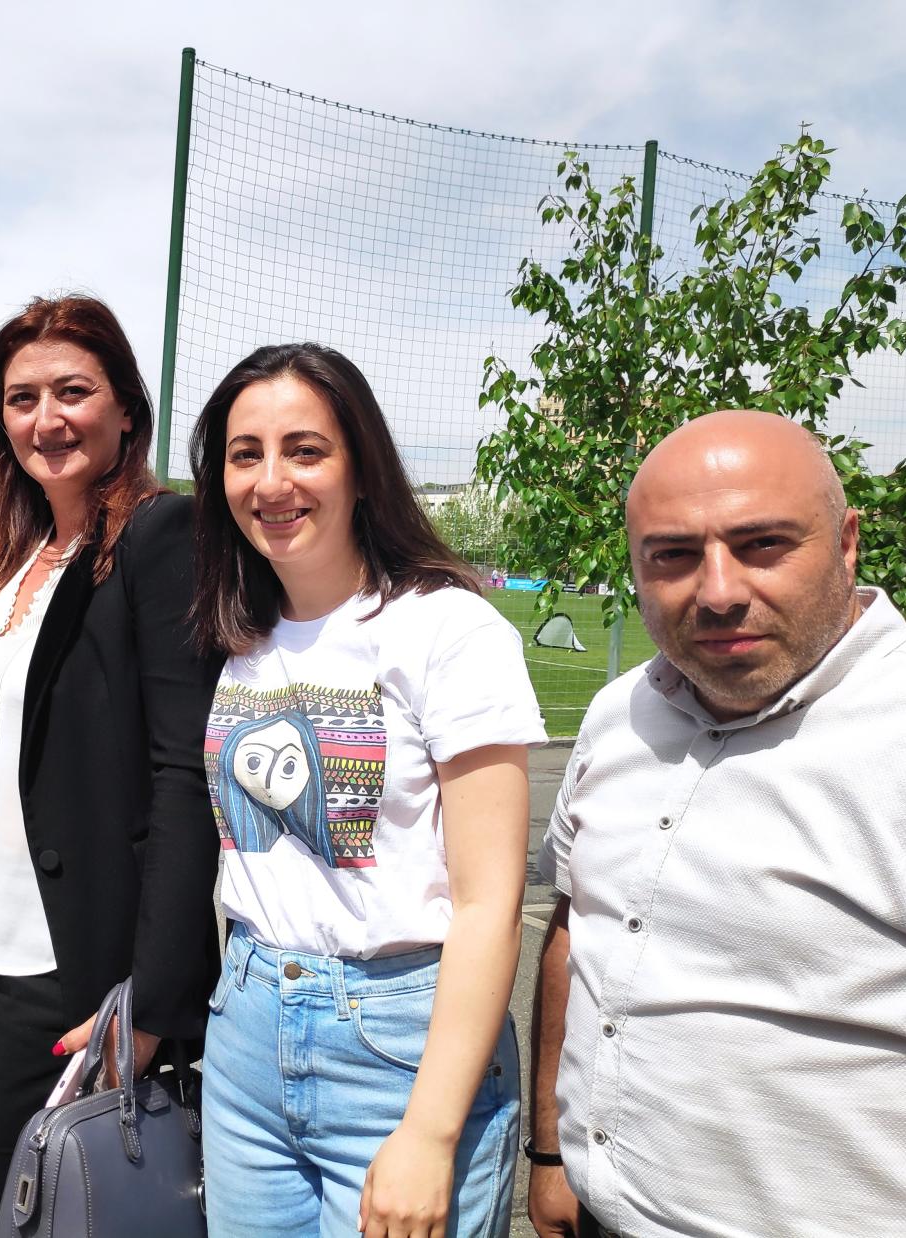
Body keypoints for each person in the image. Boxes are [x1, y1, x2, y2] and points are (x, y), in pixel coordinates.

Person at [528, 410, 906, 1238]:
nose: (718, 591)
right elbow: (578, 931)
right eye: (674, 556)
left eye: (762, 545)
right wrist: (550, 1154)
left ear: (848, 542)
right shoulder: (620, 716)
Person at [189, 343, 545, 1238]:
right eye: (246, 454)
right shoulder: (238, 634)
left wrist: (429, 1131)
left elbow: (490, 905)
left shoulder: (446, 629)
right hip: (246, 1026)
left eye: (305, 450)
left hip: (399, 1041)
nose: (273, 481)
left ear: (361, 467)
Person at [0, 296, 221, 1235]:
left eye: (73, 391)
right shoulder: (13, 556)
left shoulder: (160, 537)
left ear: (127, 409)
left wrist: (155, 999)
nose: (46, 419)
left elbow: (183, 775)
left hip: (59, 969)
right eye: (20, 398)